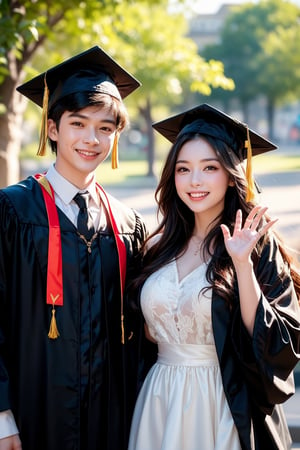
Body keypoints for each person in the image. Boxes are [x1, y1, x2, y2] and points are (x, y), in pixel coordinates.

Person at [0, 46, 153, 450]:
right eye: (78, 123)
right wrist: (1, 418)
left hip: (112, 417)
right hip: (32, 414)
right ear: (52, 129)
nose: (92, 139)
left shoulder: (127, 224)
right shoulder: (12, 210)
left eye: (105, 127)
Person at [128, 103, 300, 450]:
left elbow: (276, 343)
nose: (195, 181)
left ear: (231, 173)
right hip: (160, 399)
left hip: (222, 402)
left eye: (210, 167)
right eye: (183, 169)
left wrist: (242, 264)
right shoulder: (159, 246)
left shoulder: (255, 244)